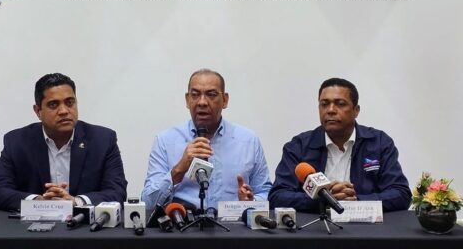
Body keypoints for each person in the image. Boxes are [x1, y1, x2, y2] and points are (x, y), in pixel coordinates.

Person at [0, 73, 127, 211]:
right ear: (38, 111)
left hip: (83, 224)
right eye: (53, 104)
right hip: (33, 224)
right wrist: (38, 202)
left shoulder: (103, 140)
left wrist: (75, 202)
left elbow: (117, 192)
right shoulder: (17, 142)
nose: (64, 111)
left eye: (69, 102)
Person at [269, 77, 411, 212]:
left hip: (365, 226)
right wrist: (324, 199)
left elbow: (401, 194)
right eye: (324, 104)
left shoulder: (379, 143)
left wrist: (356, 201)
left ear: (356, 110)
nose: (330, 110)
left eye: (340, 104)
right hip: (315, 225)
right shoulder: (299, 146)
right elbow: (278, 196)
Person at [141, 69, 272, 211]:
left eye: (211, 95)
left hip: (233, 223)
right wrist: (178, 170)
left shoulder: (248, 141)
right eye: (195, 95)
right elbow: (147, 204)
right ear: (187, 100)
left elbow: (266, 193)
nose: (202, 102)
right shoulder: (165, 141)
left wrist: (251, 202)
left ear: (225, 100)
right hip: (182, 223)